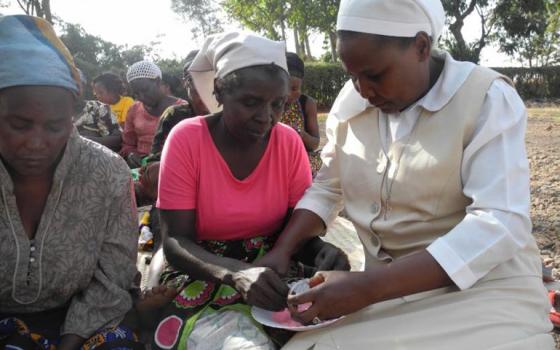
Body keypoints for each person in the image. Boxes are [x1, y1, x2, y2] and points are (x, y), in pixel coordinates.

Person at [257, 0, 555, 349]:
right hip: (383, 292)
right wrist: (283, 250)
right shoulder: (352, 104)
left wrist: (369, 287)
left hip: (482, 290)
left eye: (375, 75)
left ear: (421, 46)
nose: (364, 91)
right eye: (352, 76)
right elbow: (327, 188)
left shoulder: (486, 99)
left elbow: (499, 222)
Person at [152, 32, 349, 350]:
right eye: (250, 102)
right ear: (219, 92)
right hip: (204, 271)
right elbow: (175, 241)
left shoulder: (286, 142)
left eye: (277, 105)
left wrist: (319, 251)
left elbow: (293, 225)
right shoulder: (187, 139)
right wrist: (236, 274)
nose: (266, 117)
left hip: (272, 264)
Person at [0, 15, 142, 350]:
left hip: (81, 322)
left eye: (54, 126)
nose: (37, 143)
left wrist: (70, 343)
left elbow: (113, 275)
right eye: (19, 124)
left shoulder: (107, 172)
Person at [147, 49, 209, 163]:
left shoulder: (231, 115)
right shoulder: (174, 116)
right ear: (185, 82)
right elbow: (154, 162)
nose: (202, 86)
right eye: (193, 78)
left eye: (209, 77)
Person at [119, 60, 185, 168]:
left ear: (158, 82)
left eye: (145, 90)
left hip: (173, 166)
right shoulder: (134, 109)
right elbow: (128, 143)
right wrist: (131, 154)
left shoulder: (182, 109)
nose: (141, 97)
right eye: (136, 94)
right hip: (141, 167)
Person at [280, 53, 322, 176]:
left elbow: (315, 143)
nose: (290, 94)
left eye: (295, 88)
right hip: (277, 161)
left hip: (303, 160)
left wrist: (301, 134)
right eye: (286, 88)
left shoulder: (307, 104)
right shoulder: (270, 104)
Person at [74, 71, 122, 152]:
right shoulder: (53, 114)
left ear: (83, 86)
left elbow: (118, 138)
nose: (73, 89)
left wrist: (88, 141)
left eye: (76, 85)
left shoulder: (98, 108)